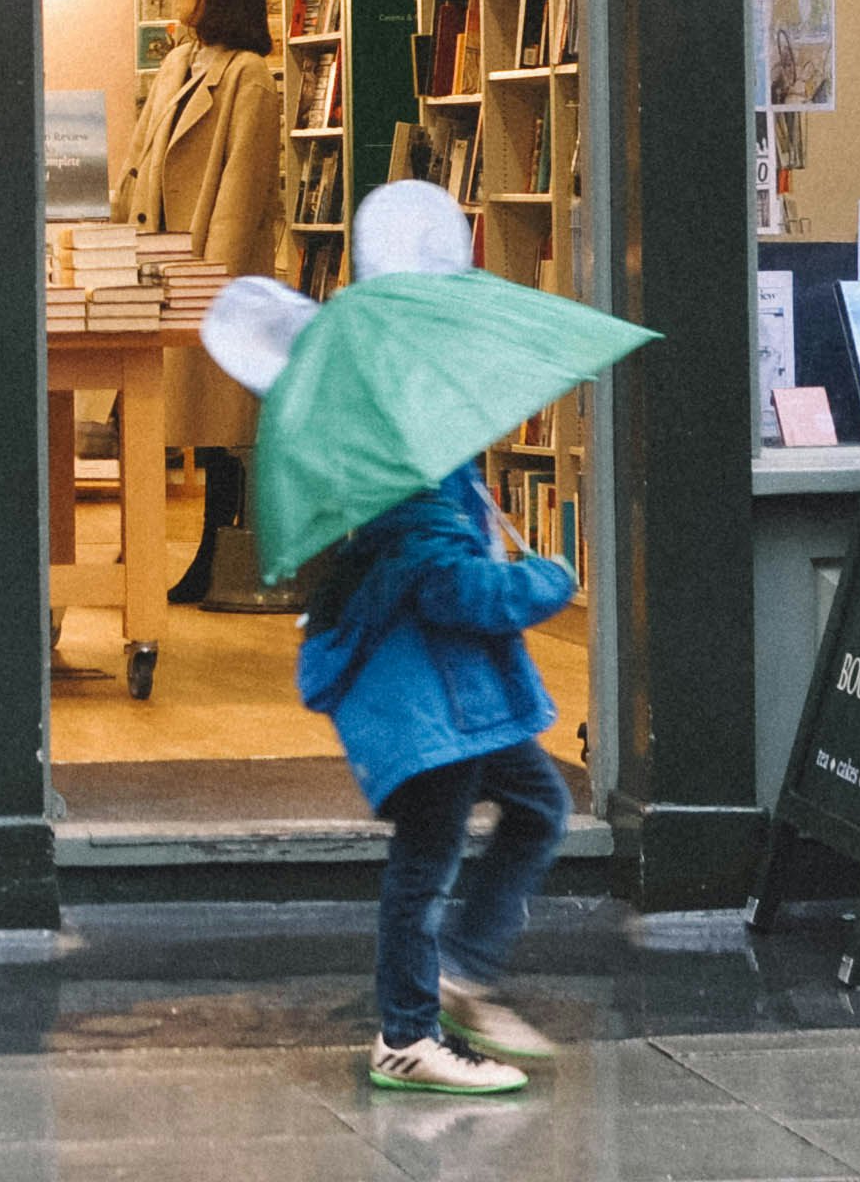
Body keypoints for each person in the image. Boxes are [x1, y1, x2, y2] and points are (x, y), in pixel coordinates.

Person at [296, 181, 577, 1099]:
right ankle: (408, 1032)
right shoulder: (402, 458)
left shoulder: (421, 437)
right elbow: (449, 586)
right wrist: (540, 583)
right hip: (425, 694)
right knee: (425, 859)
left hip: (459, 691)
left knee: (537, 804)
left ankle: (458, 968)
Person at [111, 0, 281, 603]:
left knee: (217, 428)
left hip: (208, 275)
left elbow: (240, 195)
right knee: (155, 413)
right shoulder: (179, 62)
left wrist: (215, 286)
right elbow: (141, 157)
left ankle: (215, 552)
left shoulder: (249, 78)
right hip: (155, 265)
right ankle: (150, 556)